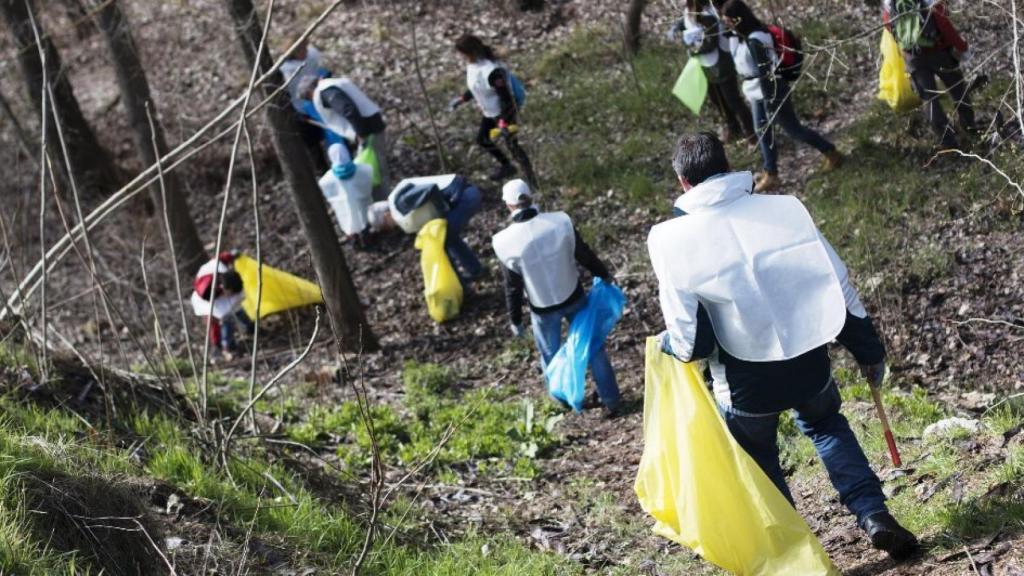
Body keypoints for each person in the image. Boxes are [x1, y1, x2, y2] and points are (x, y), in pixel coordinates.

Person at [647, 133, 918, 560]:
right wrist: (868, 349)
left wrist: (672, 348)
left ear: (683, 182)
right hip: (808, 356)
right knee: (828, 426)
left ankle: (801, 556)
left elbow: (689, 338)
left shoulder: (668, 238)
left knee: (760, 463)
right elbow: (836, 281)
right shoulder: (785, 209)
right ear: (726, 164)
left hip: (744, 380)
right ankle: (874, 515)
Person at [493, 179, 621, 415]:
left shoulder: (503, 241)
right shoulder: (560, 221)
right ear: (531, 197)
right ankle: (612, 399)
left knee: (550, 357)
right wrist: (603, 274)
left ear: (508, 206)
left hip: (541, 307)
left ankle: (562, 400)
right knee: (593, 347)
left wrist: (515, 319)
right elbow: (583, 253)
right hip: (574, 296)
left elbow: (512, 286)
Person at [720, 0, 841, 192]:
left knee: (793, 129)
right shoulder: (742, 37)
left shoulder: (755, 40)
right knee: (763, 132)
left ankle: (830, 151)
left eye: (728, 21)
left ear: (738, 20)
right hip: (758, 92)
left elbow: (765, 73)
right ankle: (771, 173)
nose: (725, 24)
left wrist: (770, 101)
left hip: (771, 91)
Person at [882, 0, 975, 148]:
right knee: (957, 89)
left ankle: (949, 143)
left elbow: (889, 25)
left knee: (929, 100)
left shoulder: (889, 3)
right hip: (939, 51)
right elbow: (944, 23)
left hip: (913, 57)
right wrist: (961, 47)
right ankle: (970, 128)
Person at [448, 34, 536, 185]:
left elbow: (508, 98)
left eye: (461, 53)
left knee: (513, 146)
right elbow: (477, 88)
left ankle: (532, 180)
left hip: (504, 112)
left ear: (469, 52)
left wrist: (504, 120)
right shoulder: (473, 66)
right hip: (489, 112)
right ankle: (507, 166)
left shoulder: (492, 71)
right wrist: (463, 99)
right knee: (482, 140)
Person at [365, 174, 484, 285]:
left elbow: (430, 189)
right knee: (447, 237)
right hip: (466, 194)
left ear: (386, 215)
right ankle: (474, 272)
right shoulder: (400, 205)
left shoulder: (401, 203)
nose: (389, 229)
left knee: (442, 240)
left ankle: (459, 284)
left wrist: (443, 211)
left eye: (385, 226)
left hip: (465, 196)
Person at [667, 0, 754, 143]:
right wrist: (676, 27)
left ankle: (752, 133)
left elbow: (711, 42)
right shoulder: (690, 10)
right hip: (705, 64)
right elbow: (687, 20)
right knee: (717, 100)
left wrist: (694, 51)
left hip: (721, 62)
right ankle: (733, 129)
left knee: (733, 100)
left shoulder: (711, 12)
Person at [298, 75, 391, 200]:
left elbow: (348, 109)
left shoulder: (325, 91)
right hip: (371, 126)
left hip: (368, 131)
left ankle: (384, 205)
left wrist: (360, 133)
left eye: (308, 98)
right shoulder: (332, 85)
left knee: (374, 172)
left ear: (310, 92)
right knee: (376, 170)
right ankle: (383, 203)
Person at [281, 40, 340, 172]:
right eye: (302, 50)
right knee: (313, 146)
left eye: (306, 49)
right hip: (302, 111)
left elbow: (324, 71)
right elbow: (285, 94)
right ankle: (323, 172)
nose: (306, 52)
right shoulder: (285, 71)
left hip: (321, 102)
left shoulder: (312, 55)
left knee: (335, 134)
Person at [191, 251, 254, 359]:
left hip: (219, 297)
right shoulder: (207, 294)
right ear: (225, 290)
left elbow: (219, 259)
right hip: (205, 304)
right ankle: (226, 346)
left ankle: (251, 328)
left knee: (237, 309)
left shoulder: (220, 270)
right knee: (225, 319)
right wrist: (217, 342)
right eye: (231, 293)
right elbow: (215, 319)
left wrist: (230, 255)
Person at [319, 143, 374, 248]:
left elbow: (328, 193)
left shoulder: (327, 179)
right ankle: (367, 237)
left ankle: (354, 240)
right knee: (363, 218)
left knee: (347, 220)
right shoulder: (363, 169)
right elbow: (368, 180)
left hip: (343, 209)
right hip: (362, 206)